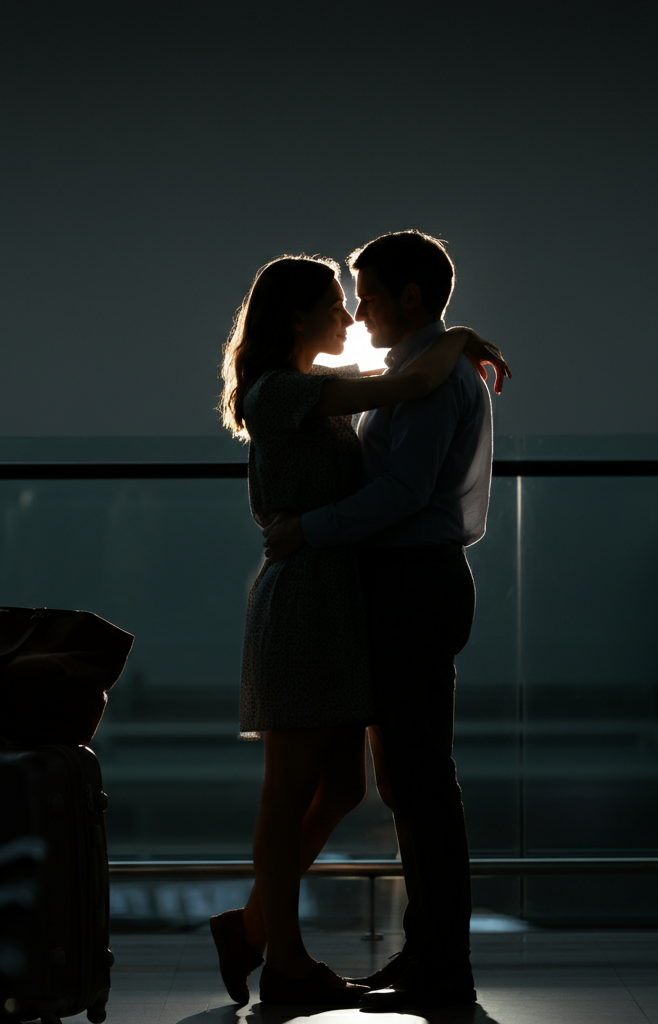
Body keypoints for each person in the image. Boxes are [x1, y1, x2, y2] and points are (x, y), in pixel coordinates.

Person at [210, 251, 507, 1008]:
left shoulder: (325, 387)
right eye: (339, 303)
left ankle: (257, 931)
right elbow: (404, 382)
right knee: (310, 788)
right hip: (311, 599)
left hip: (344, 595)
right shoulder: (288, 391)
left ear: (407, 296)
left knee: (357, 784)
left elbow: (405, 410)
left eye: (362, 297)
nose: (353, 313)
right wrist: (457, 336)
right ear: (296, 319)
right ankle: (281, 959)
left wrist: (452, 338)